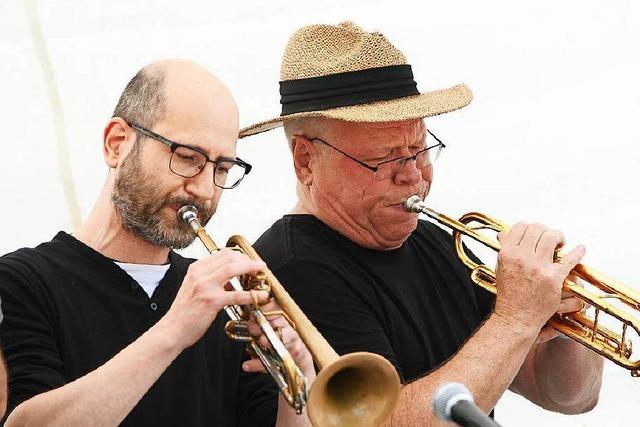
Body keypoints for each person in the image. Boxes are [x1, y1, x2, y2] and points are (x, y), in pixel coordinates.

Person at [241, 22, 604, 425]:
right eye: (385, 158)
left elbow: (569, 397)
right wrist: (516, 318)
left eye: (420, 149)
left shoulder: (438, 242)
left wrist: (563, 316)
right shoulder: (291, 270)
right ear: (306, 160)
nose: (413, 176)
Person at [0, 59, 314, 426]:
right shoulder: (20, 282)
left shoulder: (225, 302)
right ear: (117, 144)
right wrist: (174, 329)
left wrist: (298, 379)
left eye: (222, 168)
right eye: (186, 158)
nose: (204, 189)